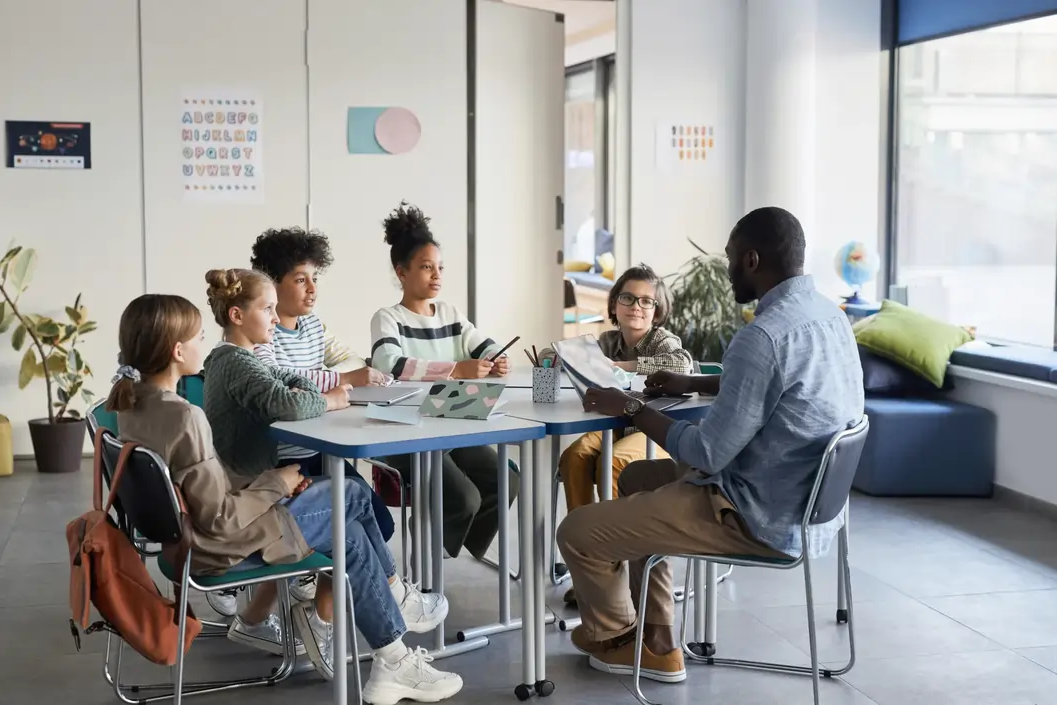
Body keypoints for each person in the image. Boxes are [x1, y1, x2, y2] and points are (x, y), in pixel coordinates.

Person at [556, 206, 864, 684]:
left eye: (731, 257)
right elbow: (779, 387)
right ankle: (657, 635)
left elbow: (705, 453)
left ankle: (617, 637)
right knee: (635, 477)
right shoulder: (829, 317)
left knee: (577, 531)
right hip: (811, 505)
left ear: (753, 260)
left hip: (754, 514)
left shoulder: (762, 335)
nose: (726, 268)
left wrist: (633, 407)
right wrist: (691, 381)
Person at [110, 293, 463, 704]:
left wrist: (268, 480)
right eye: (198, 336)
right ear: (176, 350)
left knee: (347, 532)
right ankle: (396, 602)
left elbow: (198, 487)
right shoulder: (186, 417)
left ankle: (393, 658)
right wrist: (275, 483)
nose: (203, 344)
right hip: (220, 545)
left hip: (182, 545)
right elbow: (220, 519)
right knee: (352, 493)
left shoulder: (132, 406)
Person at [370, 201, 519, 561]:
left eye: (439, 268)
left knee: (508, 480)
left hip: (453, 422)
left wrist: (498, 358)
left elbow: (486, 344)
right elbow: (388, 364)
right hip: (407, 431)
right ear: (401, 272)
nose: (436, 275)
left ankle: (441, 544)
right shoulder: (387, 318)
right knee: (465, 498)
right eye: (425, 267)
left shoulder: (451, 314)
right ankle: (427, 544)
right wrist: (454, 370)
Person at [558, 264, 692, 608]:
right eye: (628, 298)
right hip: (615, 428)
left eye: (647, 301)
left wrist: (623, 368)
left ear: (657, 311)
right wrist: (559, 359)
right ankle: (591, 569)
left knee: (615, 463)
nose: (637, 306)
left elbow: (682, 365)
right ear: (614, 305)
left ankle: (615, 570)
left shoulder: (662, 340)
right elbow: (581, 364)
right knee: (573, 457)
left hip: (654, 434)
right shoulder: (607, 341)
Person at [249, 226, 395, 539]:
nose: (312, 289)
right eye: (301, 279)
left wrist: (347, 378)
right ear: (272, 285)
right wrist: (340, 379)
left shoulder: (313, 325)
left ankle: (336, 585)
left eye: (314, 278)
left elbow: (331, 367)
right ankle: (324, 578)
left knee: (380, 524)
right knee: (354, 526)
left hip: (320, 447)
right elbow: (278, 378)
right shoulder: (261, 331)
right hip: (283, 459)